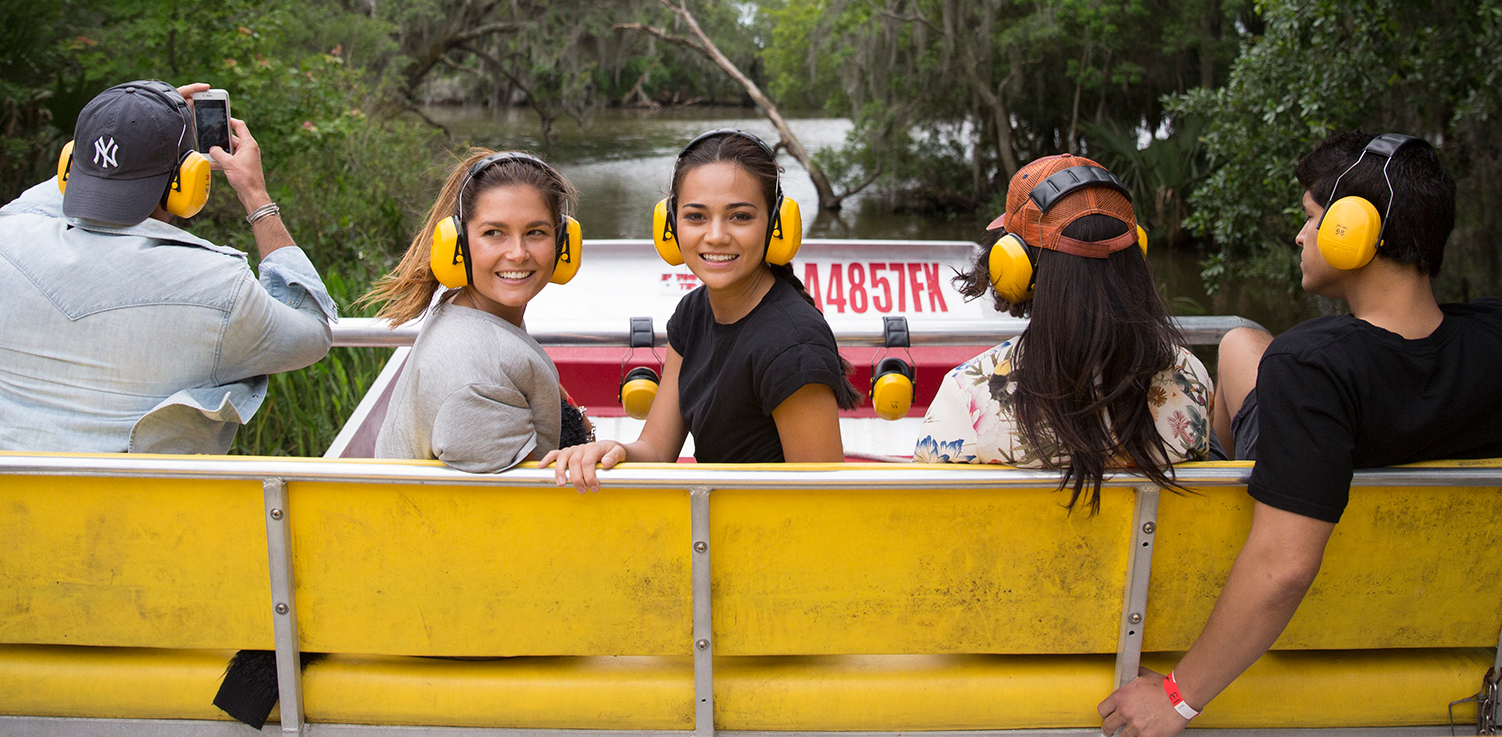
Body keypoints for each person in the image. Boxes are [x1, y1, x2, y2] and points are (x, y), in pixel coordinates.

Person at [1098, 130, 1502, 735]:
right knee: (1242, 340)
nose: (1300, 236)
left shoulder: (1311, 366)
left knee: (1238, 342)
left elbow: (1286, 565)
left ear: (1353, 231)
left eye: (1312, 219)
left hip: (1313, 592)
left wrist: (1178, 696)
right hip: (1430, 614)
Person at [0, 80, 336, 454]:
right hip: (134, 521)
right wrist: (255, 194)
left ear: (69, 165)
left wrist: (121, 138)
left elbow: (28, 208)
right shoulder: (217, 287)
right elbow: (312, 331)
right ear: (187, 181)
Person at [543, 130, 861, 490]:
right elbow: (656, 449)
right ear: (670, 225)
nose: (716, 235)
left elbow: (823, 500)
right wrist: (612, 450)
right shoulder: (693, 312)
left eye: (740, 217)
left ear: (775, 224)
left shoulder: (794, 343)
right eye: (696, 216)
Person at [914, 155, 1213, 505]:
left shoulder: (968, 396)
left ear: (1016, 269)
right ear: (1137, 252)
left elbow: (927, 530)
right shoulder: (1190, 378)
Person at [364, 150, 590, 472]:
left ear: (562, 242)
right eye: (493, 233)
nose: (517, 253)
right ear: (458, 244)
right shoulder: (477, 379)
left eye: (535, 232)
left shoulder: (466, 310)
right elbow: (516, 510)